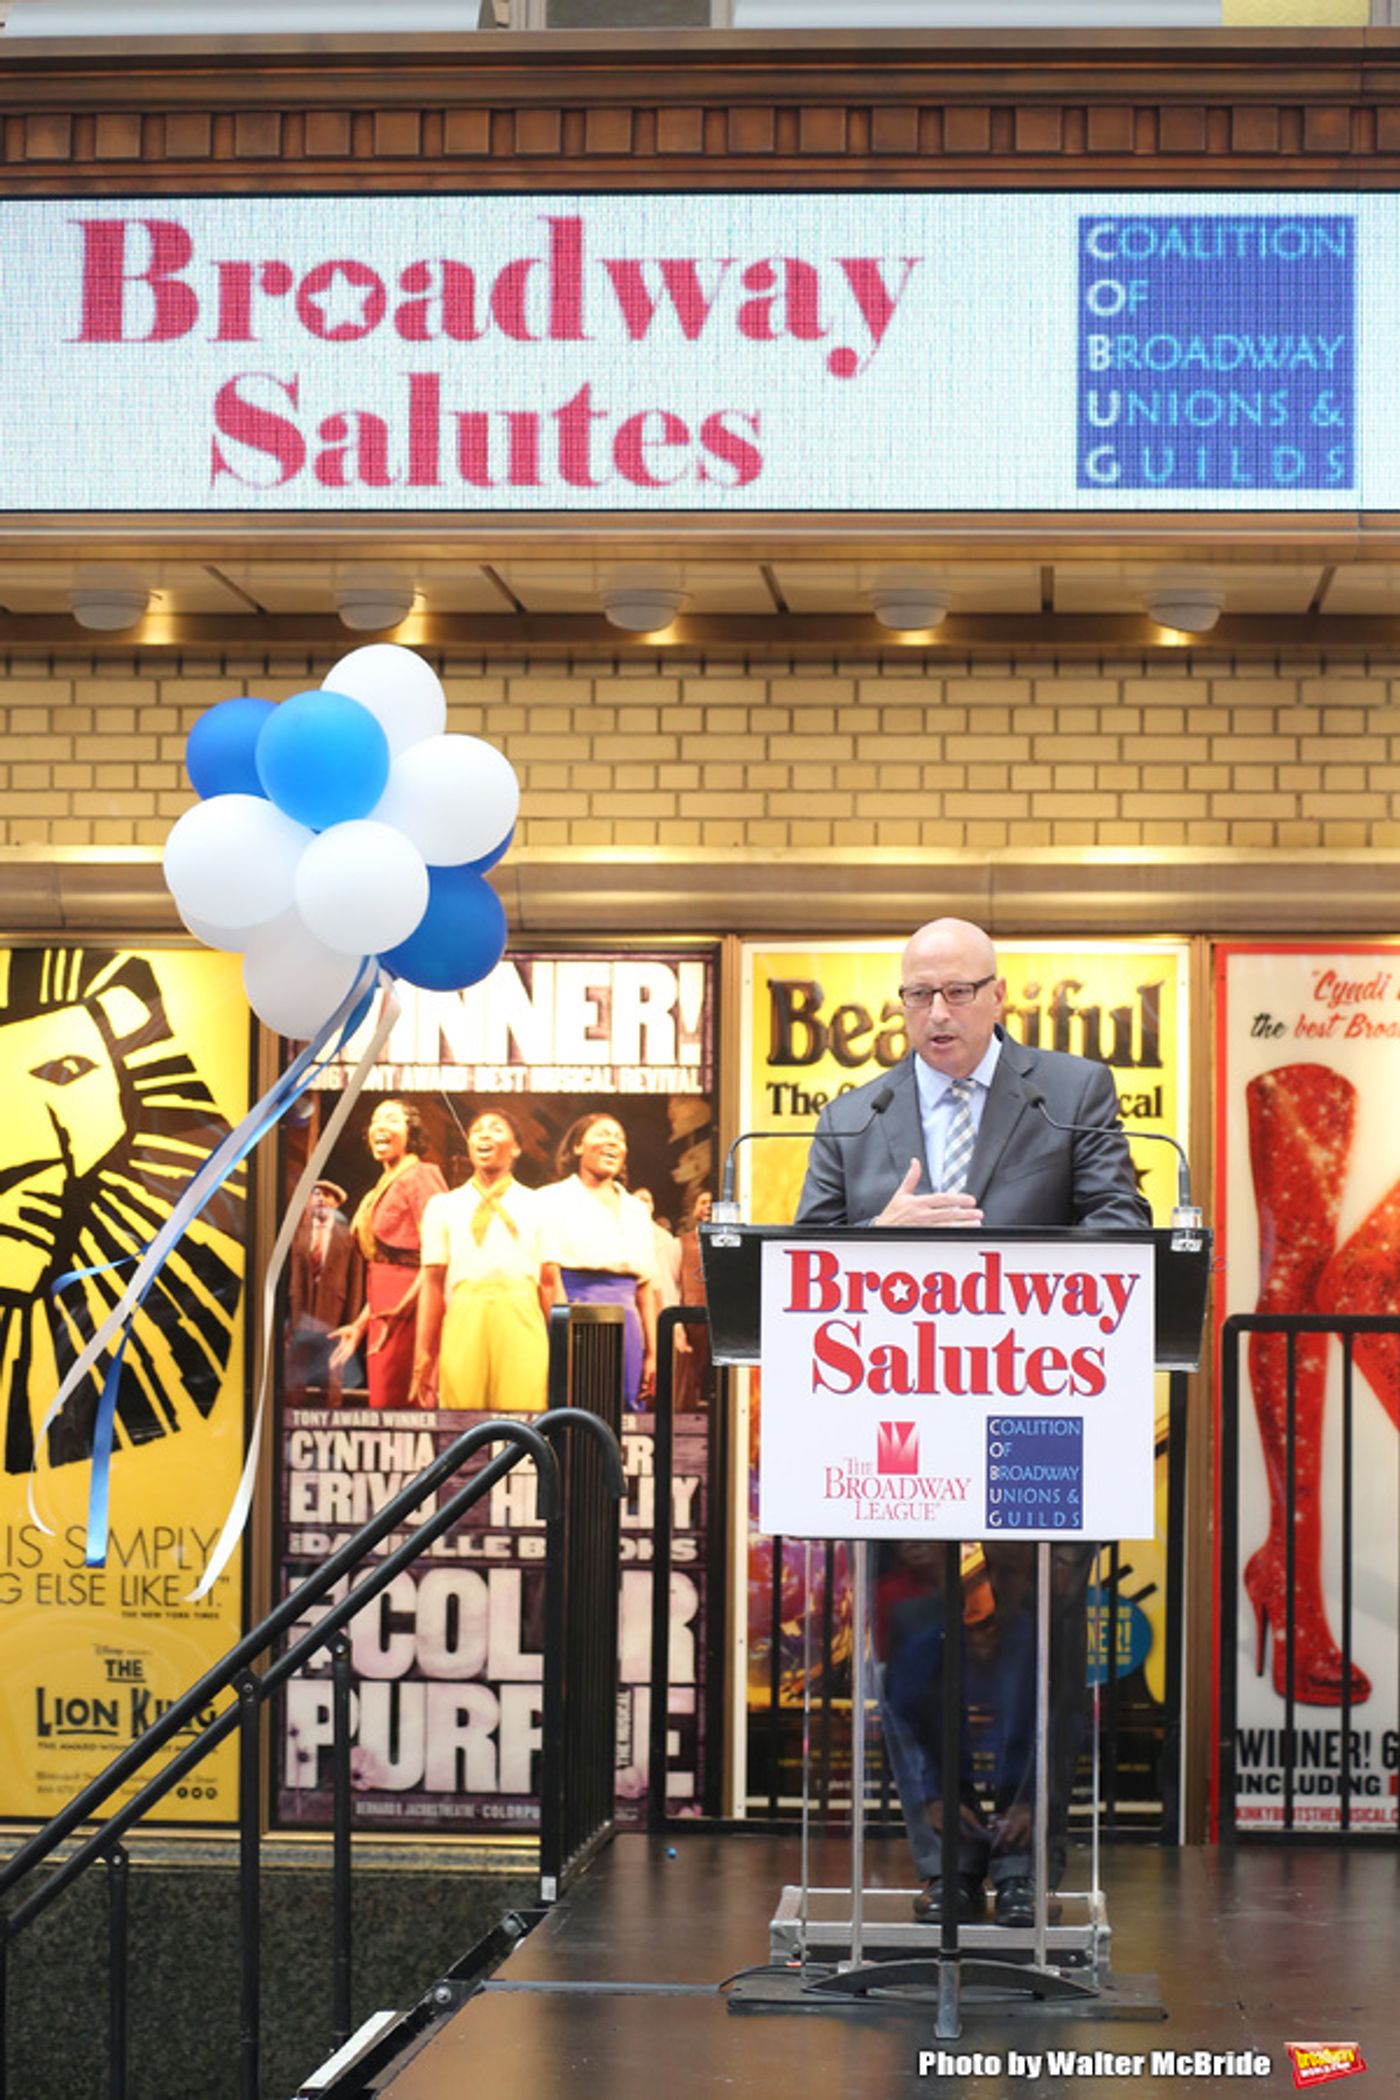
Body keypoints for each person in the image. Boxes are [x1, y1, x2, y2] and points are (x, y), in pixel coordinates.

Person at [796, 916, 1150, 1928]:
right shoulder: (852, 1116)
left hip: (1035, 1410)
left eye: (956, 992)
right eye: (917, 995)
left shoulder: (1071, 1092)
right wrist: (880, 1235)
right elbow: (805, 1253)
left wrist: (1001, 1255)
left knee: (1035, 1639)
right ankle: (942, 1858)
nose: (936, 1013)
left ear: (1000, 996)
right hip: (897, 1421)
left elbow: (1120, 1224)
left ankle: (1023, 1859)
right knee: (910, 1645)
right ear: (898, 1004)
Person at [410, 1109, 560, 1414]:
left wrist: (565, 1350)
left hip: (522, 1314)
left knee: (524, 1415)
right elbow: (432, 1286)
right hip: (465, 1314)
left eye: (496, 1129)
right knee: (462, 1415)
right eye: (477, 1130)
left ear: (516, 1147)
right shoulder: (443, 1206)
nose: (485, 1134)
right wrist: (423, 1353)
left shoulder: (539, 1204)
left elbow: (550, 1284)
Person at [536, 1112, 659, 1412]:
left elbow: (646, 1289)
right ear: (578, 1146)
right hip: (575, 1312)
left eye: (619, 1138)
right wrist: (564, 1341)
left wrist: (653, 1354)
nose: (612, 1142)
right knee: (579, 1409)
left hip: (628, 1322)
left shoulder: (636, 1210)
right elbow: (548, 1279)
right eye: (603, 1134)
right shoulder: (550, 1199)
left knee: (626, 1409)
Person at [331, 1099, 446, 1411]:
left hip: (413, 1308)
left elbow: (438, 1254)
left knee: (405, 1404)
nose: (380, 1126)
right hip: (385, 1306)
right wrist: (360, 1324)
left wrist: (402, 1309)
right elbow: (383, 1268)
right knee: (384, 1401)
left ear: (412, 1132)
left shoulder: (421, 1176)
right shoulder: (383, 1183)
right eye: (375, 1120)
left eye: (392, 1119)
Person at [286, 1178, 360, 1404]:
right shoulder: (299, 1232)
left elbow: (355, 1280)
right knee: (295, 1373)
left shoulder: (347, 1236)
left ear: (337, 1203)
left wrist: (352, 1320)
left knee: (332, 1374)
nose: (320, 1198)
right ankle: (293, 1422)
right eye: (315, 1193)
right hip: (301, 1311)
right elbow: (290, 1274)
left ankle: (331, 1419)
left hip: (333, 1313)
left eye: (327, 1195)